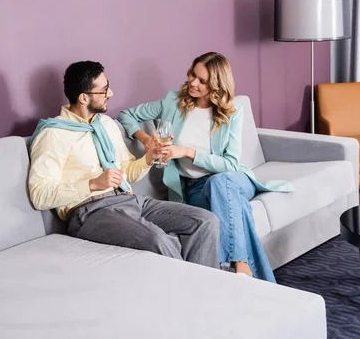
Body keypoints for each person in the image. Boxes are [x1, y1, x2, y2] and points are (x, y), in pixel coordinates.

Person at [118, 52, 294, 282]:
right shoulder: (173, 101)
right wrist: (145, 139)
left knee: (221, 182)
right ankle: (252, 277)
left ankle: (227, 266)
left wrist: (187, 152)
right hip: (192, 190)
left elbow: (230, 164)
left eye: (202, 81)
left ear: (217, 86)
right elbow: (126, 115)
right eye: (192, 75)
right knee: (237, 210)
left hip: (231, 180)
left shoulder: (232, 112)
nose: (193, 83)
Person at [27, 61, 220, 269]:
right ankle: (185, 295)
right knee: (159, 240)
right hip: (90, 212)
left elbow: (126, 172)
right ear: (84, 98)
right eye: (103, 90)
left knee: (205, 221)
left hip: (129, 200)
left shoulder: (106, 125)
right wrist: (92, 184)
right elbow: (40, 195)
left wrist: (149, 157)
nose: (111, 93)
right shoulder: (54, 134)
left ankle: (202, 291)